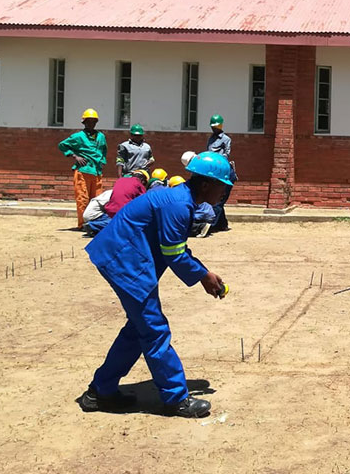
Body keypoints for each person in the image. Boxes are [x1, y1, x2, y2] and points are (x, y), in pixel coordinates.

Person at [78, 152, 233, 418]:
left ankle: (100, 392)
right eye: (223, 186)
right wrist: (203, 276)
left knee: (138, 330)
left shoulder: (181, 200)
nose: (225, 192)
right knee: (153, 328)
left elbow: (174, 248)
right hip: (124, 261)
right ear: (206, 184)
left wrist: (203, 273)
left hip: (126, 258)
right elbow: (173, 253)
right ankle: (175, 399)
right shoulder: (178, 204)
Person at [58, 108, 108, 230]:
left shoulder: (101, 136)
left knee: (97, 200)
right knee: (83, 199)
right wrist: (75, 156)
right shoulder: (78, 137)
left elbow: (104, 150)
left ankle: (95, 224)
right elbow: (62, 145)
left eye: (93, 121)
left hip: (96, 172)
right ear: (84, 122)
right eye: (89, 121)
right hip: (83, 171)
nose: (91, 124)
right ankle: (83, 224)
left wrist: (101, 161)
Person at [206, 114, 237, 233]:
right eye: (212, 127)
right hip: (213, 172)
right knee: (218, 199)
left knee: (218, 200)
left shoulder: (226, 139)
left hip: (225, 173)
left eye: (215, 126)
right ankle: (222, 224)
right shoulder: (211, 139)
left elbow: (226, 155)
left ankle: (211, 226)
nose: (213, 129)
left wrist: (215, 160)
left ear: (220, 125)